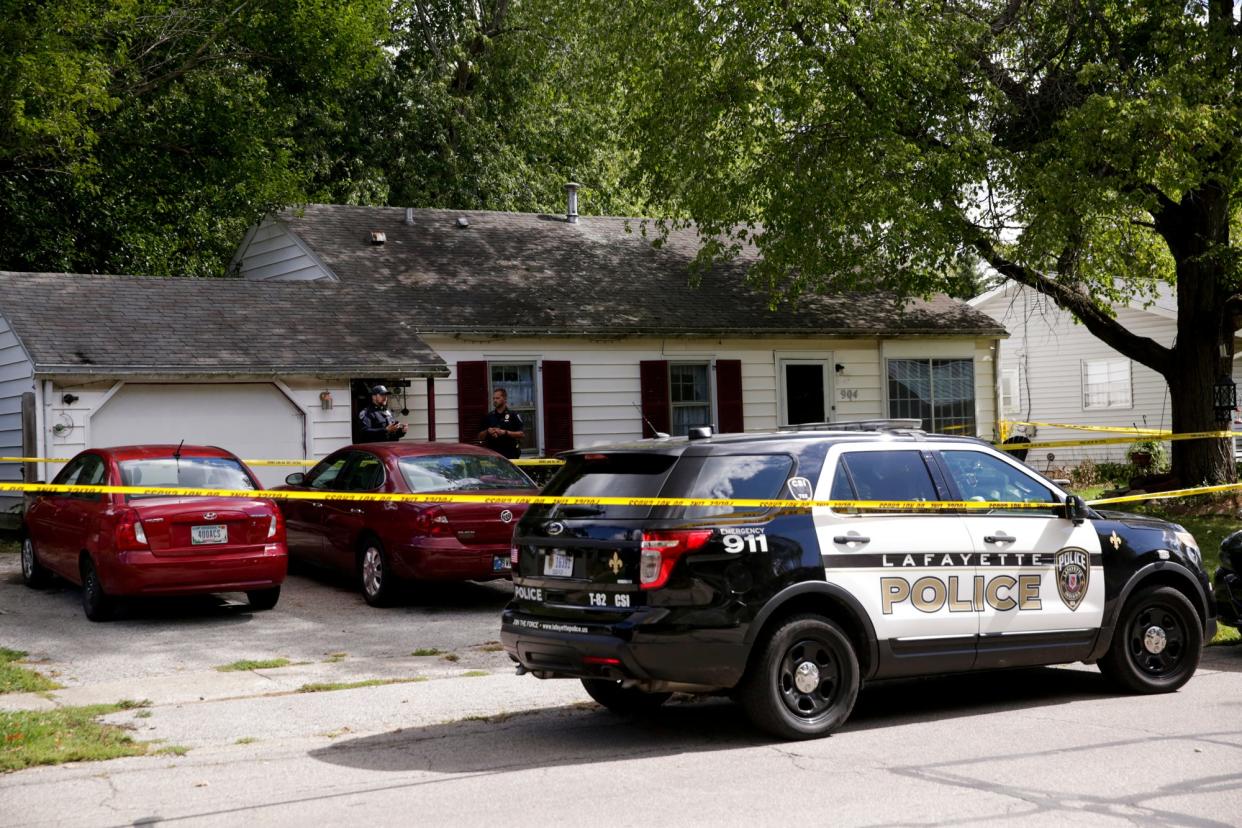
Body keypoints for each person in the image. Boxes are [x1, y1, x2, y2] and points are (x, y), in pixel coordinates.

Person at [477, 388, 524, 458]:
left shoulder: (513, 415)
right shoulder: (489, 416)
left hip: (510, 455)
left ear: (505, 399)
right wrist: (488, 431)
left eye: (497, 398)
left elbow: (521, 434)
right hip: (492, 456)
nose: (495, 400)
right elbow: (479, 437)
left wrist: (505, 432)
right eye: (494, 398)